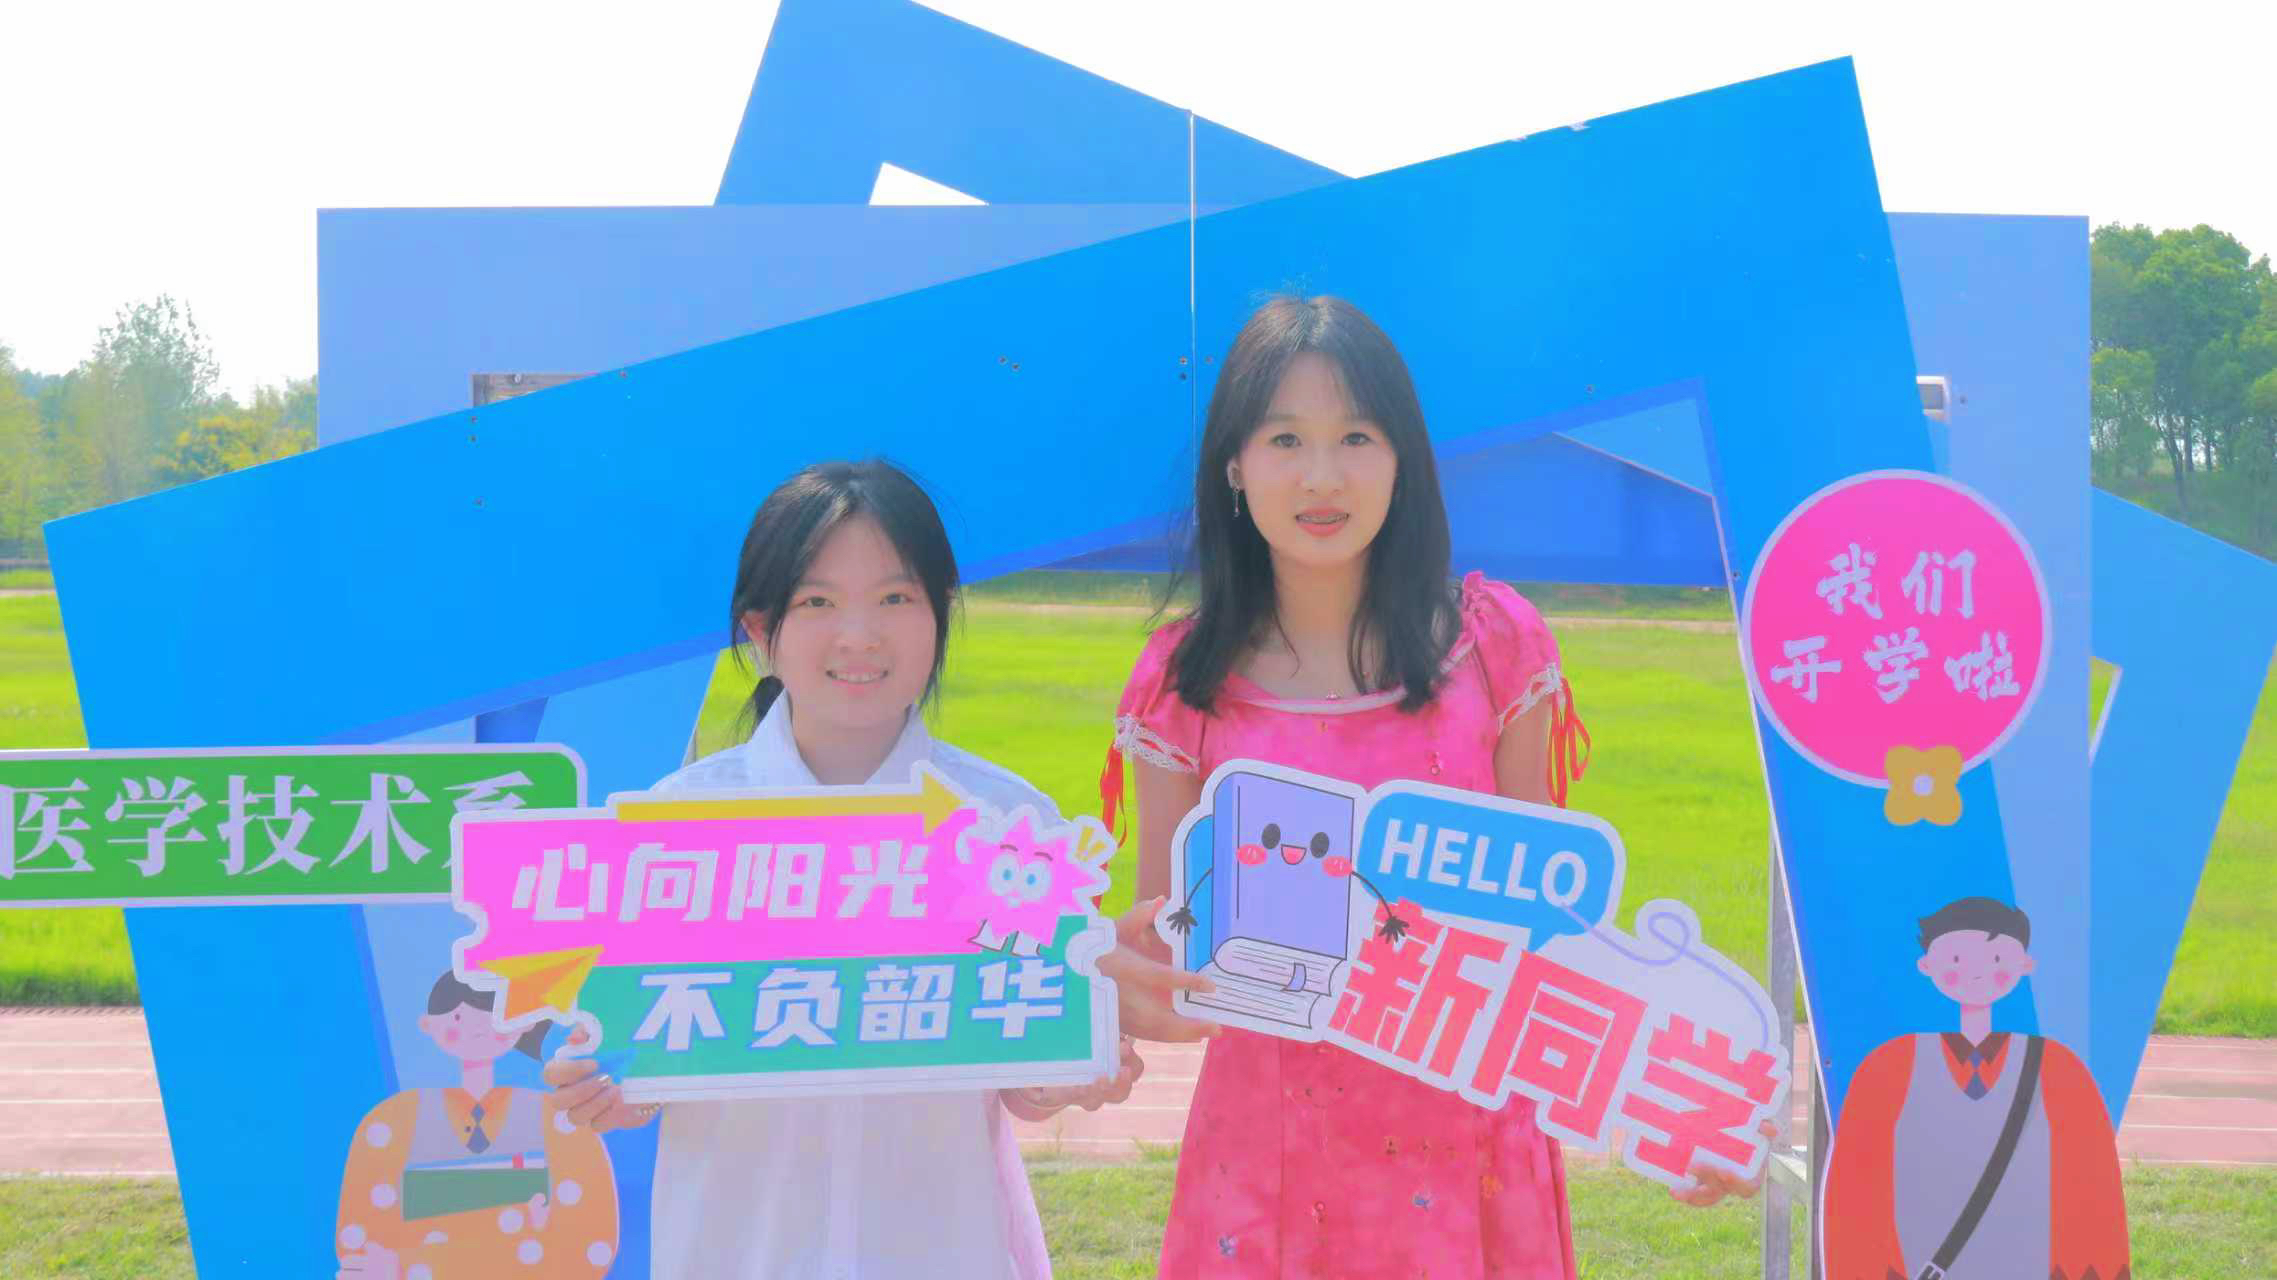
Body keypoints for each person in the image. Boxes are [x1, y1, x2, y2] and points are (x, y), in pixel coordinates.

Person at [1103, 295, 1754, 1279]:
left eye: (1356, 438)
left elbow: (1554, 931)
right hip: (1265, 1161)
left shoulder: (1493, 643)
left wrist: (1674, 1102)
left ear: (1402, 458)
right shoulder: (1180, 681)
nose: (1322, 476)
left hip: (1472, 1147)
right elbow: (1166, 953)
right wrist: (1105, 986)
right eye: (1285, 439)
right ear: (1234, 465)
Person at [549, 459, 1207, 1279]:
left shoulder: (1006, 825)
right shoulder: (679, 828)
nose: (859, 636)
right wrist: (612, 1088)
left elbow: (1020, 1082)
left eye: (895, 599)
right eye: (817, 603)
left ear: (939, 615)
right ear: (759, 629)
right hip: (739, 1253)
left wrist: (1076, 1067)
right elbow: (643, 1062)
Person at [1824, 896, 2129, 1280]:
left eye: (1997, 958)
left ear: (2025, 964)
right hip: (1920, 1258)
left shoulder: (2059, 1069)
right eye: (1956, 959)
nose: (1977, 973)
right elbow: (1859, 1185)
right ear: (1926, 965)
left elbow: (2088, 1182)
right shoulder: (1888, 1067)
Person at [335, 973, 619, 1279]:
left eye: (495, 1017)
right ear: (428, 1025)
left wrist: (420, 1264)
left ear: (523, 1024)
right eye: (458, 1017)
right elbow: (365, 1239)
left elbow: (590, 1239)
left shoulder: (557, 1118)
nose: (479, 1028)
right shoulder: (392, 1122)